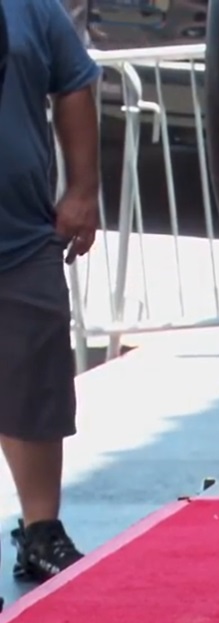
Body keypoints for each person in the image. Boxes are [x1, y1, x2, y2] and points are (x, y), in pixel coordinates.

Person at [1, 0, 101, 584]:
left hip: (19, 236)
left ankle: (42, 529)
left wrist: (83, 189)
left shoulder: (29, 6)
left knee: (37, 383)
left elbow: (74, 82)